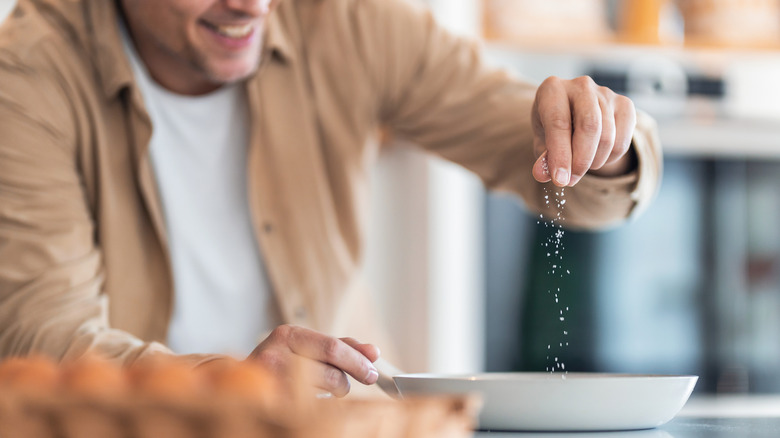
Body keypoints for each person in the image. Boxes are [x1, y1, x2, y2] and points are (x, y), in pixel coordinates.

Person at [0, 0, 661, 398]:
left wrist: (601, 138)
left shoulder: (345, 21)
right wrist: (231, 387)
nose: (254, 6)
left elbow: (565, 177)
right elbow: (40, 336)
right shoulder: (29, 73)